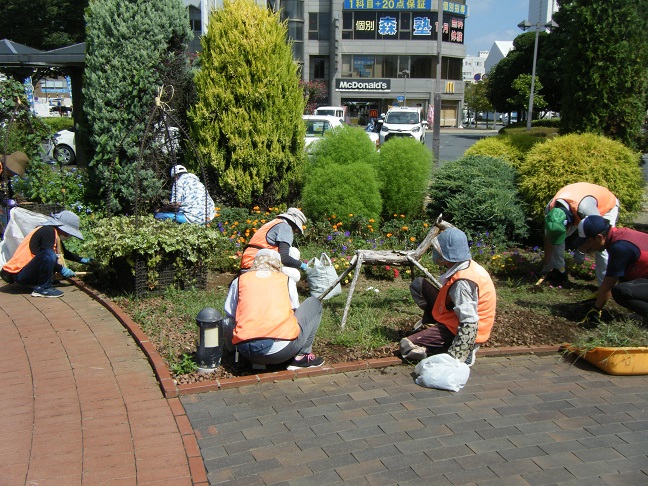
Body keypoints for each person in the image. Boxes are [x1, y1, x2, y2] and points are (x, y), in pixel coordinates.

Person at [399, 227, 496, 367]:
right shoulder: (468, 266)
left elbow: (469, 322)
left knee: (407, 346)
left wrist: (457, 357)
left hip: (466, 330)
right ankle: (435, 329)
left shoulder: (462, 283)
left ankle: (458, 350)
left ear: (446, 253)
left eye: (438, 250)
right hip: (455, 318)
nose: (435, 253)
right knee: (419, 285)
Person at [225, 249, 324, 369]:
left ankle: (252, 361)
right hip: (280, 352)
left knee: (228, 321)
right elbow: (296, 311)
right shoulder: (286, 280)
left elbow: (230, 313)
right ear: (278, 264)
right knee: (314, 303)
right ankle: (301, 357)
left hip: (246, 351)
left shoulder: (240, 280)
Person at [575, 215, 648, 328]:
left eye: (588, 242)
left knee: (621, 292)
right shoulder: (619, 236)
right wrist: (600, 294)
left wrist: (596, 309)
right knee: (624, 279)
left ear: (599, 237)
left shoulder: (620, 247)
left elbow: (609, 283)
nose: (587, 246)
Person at [542, 182, 619, 286]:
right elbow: (550, 238)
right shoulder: (551, 211)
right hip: (576, 209)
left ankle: (604, 286)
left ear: (570, 226)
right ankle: (558, 271)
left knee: (602, 246)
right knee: (555, 237)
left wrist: (582, 250)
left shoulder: (586, 209)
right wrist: (546, 265)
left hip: (605, 207)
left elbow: (598, 234)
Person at [1, 210, 91, 298]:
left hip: (24, 273)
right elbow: (47, 256)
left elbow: (65, 253)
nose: (68, 235)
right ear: (62, 226)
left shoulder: (53, 232)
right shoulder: (48, 231)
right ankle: (43, 288)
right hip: (19, 274)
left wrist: (83, 260)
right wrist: (62, 269)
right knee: (50, 254)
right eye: (69, 232)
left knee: (50, 254)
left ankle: (40, 283)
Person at [240, 207, 307, 282]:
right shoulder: (286, 227)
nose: (295, 231)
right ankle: (278, 289)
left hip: (247, 265)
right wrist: (301, 265)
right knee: (295, 275)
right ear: (295, 224)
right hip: (255, 268)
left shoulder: (275, 222)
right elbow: (284, 258)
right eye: (296, 229)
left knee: (293, 251)